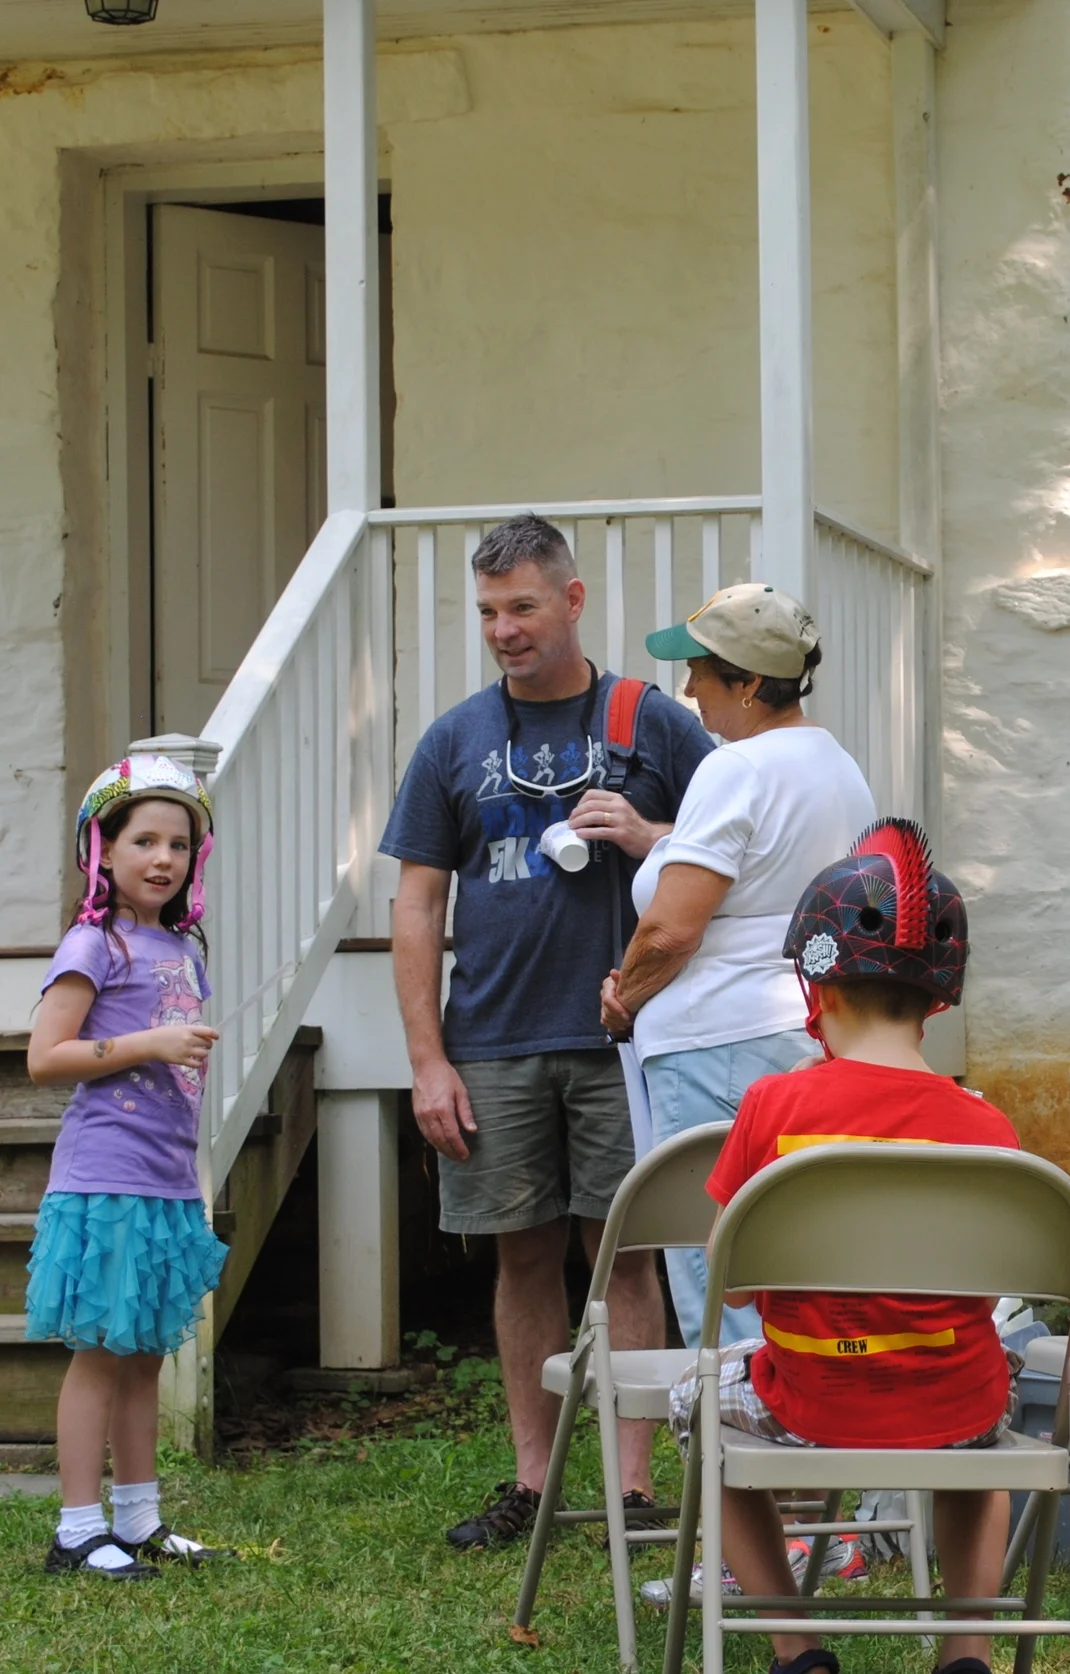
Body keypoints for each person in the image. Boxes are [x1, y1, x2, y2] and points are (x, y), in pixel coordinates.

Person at [381, 514, 713, 1549]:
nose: (505, 630)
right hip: (492, 1040)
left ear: (571, 600)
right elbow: (417, 905)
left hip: (628, 1037)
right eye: (489, 612)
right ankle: (534, 1486)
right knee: (520, 1259)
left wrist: (648, 834)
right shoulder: (454, 740)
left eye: (522, 607)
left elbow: (733, 850)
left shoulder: (653, 723)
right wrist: (427, 1060)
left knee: (627, 1255)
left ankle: (632, 1489)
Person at [662, 819, 1020, 1674]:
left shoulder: (774, 1108)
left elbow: (732, 1288)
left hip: (810, 1408)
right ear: (938, 997)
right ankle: (965, 1652)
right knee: (983, 1445)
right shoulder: (988, 1129)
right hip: (955, 1412)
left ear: (816, 985)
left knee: (693, 1401)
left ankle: (796, 1647)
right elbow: (999, 1285)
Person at [601, 583, 875, 1349]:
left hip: (717, 1041)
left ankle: (727, 1426)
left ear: (750, 683)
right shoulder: (838, 766)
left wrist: (624, 997)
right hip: (805, 1029)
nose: (689, 689)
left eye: (702, 671)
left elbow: (671, 930)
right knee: (794, 1268)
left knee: (718, 1277)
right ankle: (796, 1416)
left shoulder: (737, 768)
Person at [25, 754, 232, 1578]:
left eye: (178, 845)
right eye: (143, 841)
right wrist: (149, 1043)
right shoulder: (93, 943)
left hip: (164, 1178)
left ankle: (138, 1518)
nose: (162, 859)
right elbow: (46, 1056)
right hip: (106, 1178)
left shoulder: (179, 948)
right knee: (101, 1354)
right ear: (102, 850)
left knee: (144, 1352)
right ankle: (78, 1530)